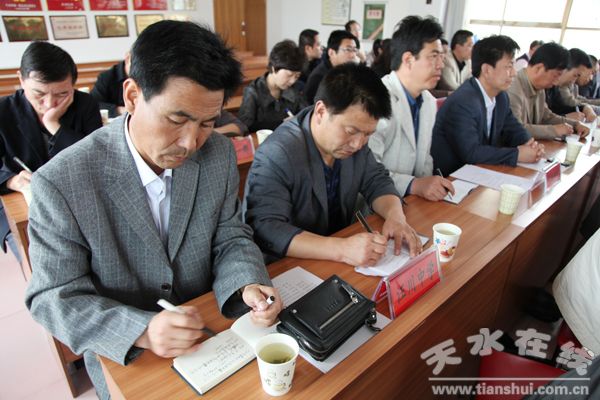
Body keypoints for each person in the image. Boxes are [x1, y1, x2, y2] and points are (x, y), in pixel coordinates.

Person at [24, 21, 282, 400]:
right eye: (176, 119)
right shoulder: (61, 182)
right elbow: (52, 297)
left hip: (211, 333)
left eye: (207, 123)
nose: (190, 142)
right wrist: (142, 329)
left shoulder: (218, 154)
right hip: (129, 356)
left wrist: (246, 282)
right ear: (132, 96)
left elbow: (229, 234)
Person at [244, 63, 422, 266]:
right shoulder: (278, 153)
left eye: (368, 134)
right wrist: (341, 249)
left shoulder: (355, 142)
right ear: (321, 111)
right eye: (351, 131)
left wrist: (395, 217)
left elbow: (377, 180)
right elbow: (267, 227)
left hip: (338, 257)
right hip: (290, 265)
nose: (358, 144)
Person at [0, 41, 101, 263]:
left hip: (79, 199)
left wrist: (54, 124)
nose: (49, 103)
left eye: (62, 94)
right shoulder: (3, 111)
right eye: (39, 93)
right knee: (42, 263)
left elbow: (95, 158)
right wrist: (11, 180)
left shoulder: (85, 105)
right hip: (23, 208)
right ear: (20, 80)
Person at [369, 16, 455, 201]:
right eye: (433, 56)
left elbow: (425, 159)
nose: (441, 65)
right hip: (376, 204)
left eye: (441, 56)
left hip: (411, 202)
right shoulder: (376, 98)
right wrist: (414, 185)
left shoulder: (428, 101)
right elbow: (368, 168)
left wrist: (429, 187)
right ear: (408, 59)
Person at [432, 35, 545, 176]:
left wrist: (530, 144)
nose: (514, 73)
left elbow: (513, 128)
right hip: (452, 177)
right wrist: (517, 154)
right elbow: (471, 152)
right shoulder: (463, 101)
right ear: (486, 70)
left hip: (481, 171)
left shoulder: (501, 97)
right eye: (509, 66)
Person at [507, 43, 590, 140]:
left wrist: (575, 124)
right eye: (555, 76)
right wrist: (554, 130)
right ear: (539, 68)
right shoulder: (513, 87)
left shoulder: (539, 88)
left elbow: (547, 117)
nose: (556, 82)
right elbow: (516, 129)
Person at [238, 40, 307, 132]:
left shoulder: (294, 89)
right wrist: (281, 123)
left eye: (297, 76)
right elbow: (245, 126)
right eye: (289, 75)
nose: (292, 81)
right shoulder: (253, 92)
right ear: (274, 68)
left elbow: (305, 113)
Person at [304, 30, 358, 103]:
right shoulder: (319, 77)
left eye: (354, 50)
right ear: (331, 52)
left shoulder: (345, 71)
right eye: (348, 49)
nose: (353, 55)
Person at [546, 48, 597, 122]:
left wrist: (584, 107)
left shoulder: (555, 87)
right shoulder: (551, 86)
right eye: (576, 75)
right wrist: (565, 117)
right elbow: (542, 119)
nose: (574, 80)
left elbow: (555, 111)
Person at [90, 52, 130, 118]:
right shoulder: (106, 77)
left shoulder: (144, 75)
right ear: (128, 58)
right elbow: (93, 104)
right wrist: (120, 110)